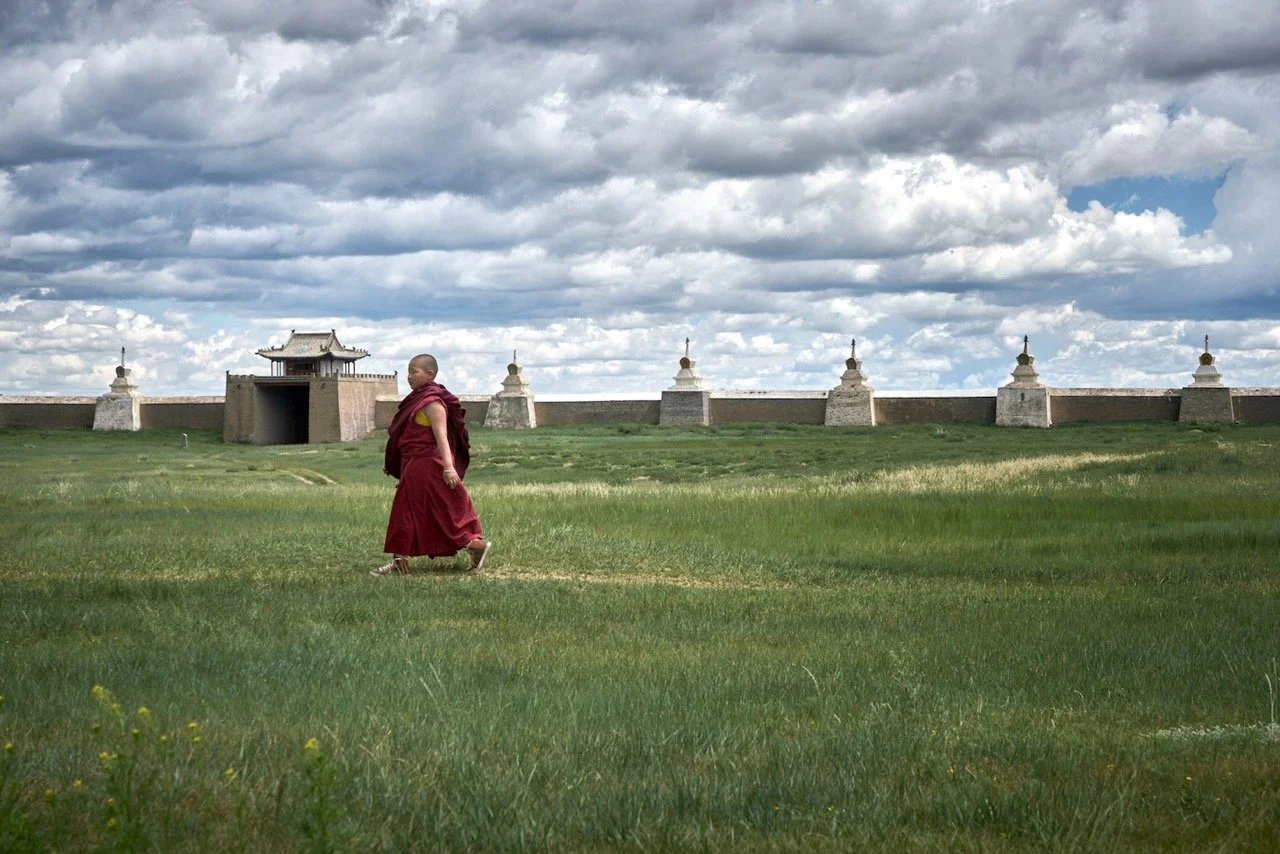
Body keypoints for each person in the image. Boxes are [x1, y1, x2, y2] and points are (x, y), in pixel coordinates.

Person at [374, 353, 491, 575]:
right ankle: (475, 546)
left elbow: (442, 437)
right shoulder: (417, 400)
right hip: (415, 464)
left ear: (429, 374)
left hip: (427, 464)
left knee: (407, 511)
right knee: (426, 511)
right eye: (408, 371)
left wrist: (448, 467)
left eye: (414, 372)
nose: (409, 377)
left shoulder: (433, 402)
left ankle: (401, 563)